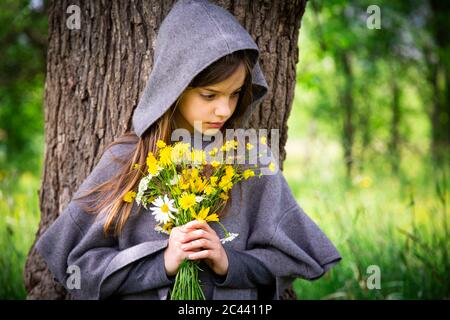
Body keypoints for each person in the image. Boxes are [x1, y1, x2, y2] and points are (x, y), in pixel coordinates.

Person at [35, 0, 342, 300]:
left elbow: (287, 260)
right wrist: (162, 262)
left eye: (235, 94)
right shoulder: (127, 159)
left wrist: (228, 263)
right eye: (209, 95)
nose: (224, 110)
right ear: (175, 87)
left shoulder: (248, 159)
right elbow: (79, 268)